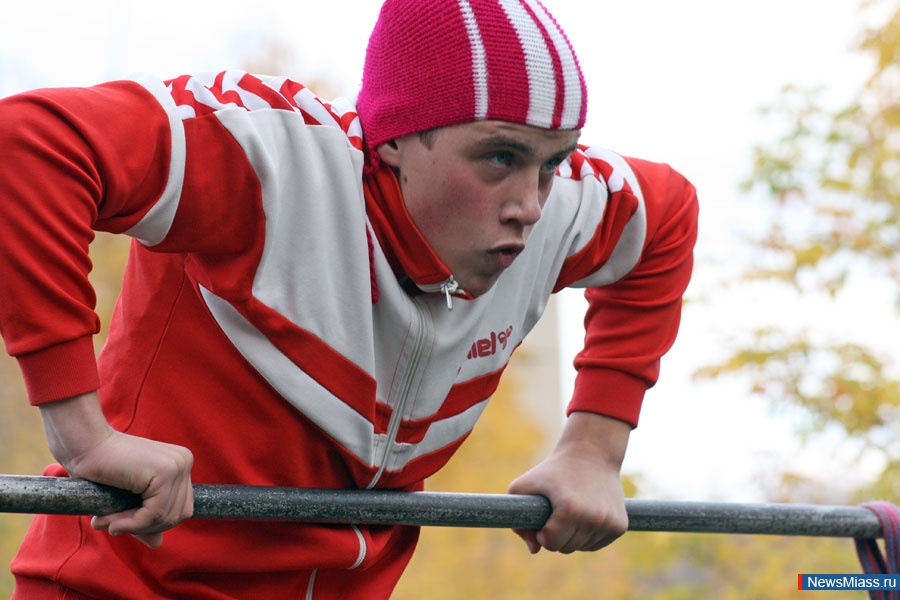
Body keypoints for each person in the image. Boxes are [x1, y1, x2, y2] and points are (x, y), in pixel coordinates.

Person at [0, 0, 699, 597]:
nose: (531, 205)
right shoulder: (265, 157)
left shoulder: (556, 207)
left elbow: (669, 214)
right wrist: (82, 434)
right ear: (393, 141)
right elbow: (27, 144)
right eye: (499, 157)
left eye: (554, 162)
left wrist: (595, 449)